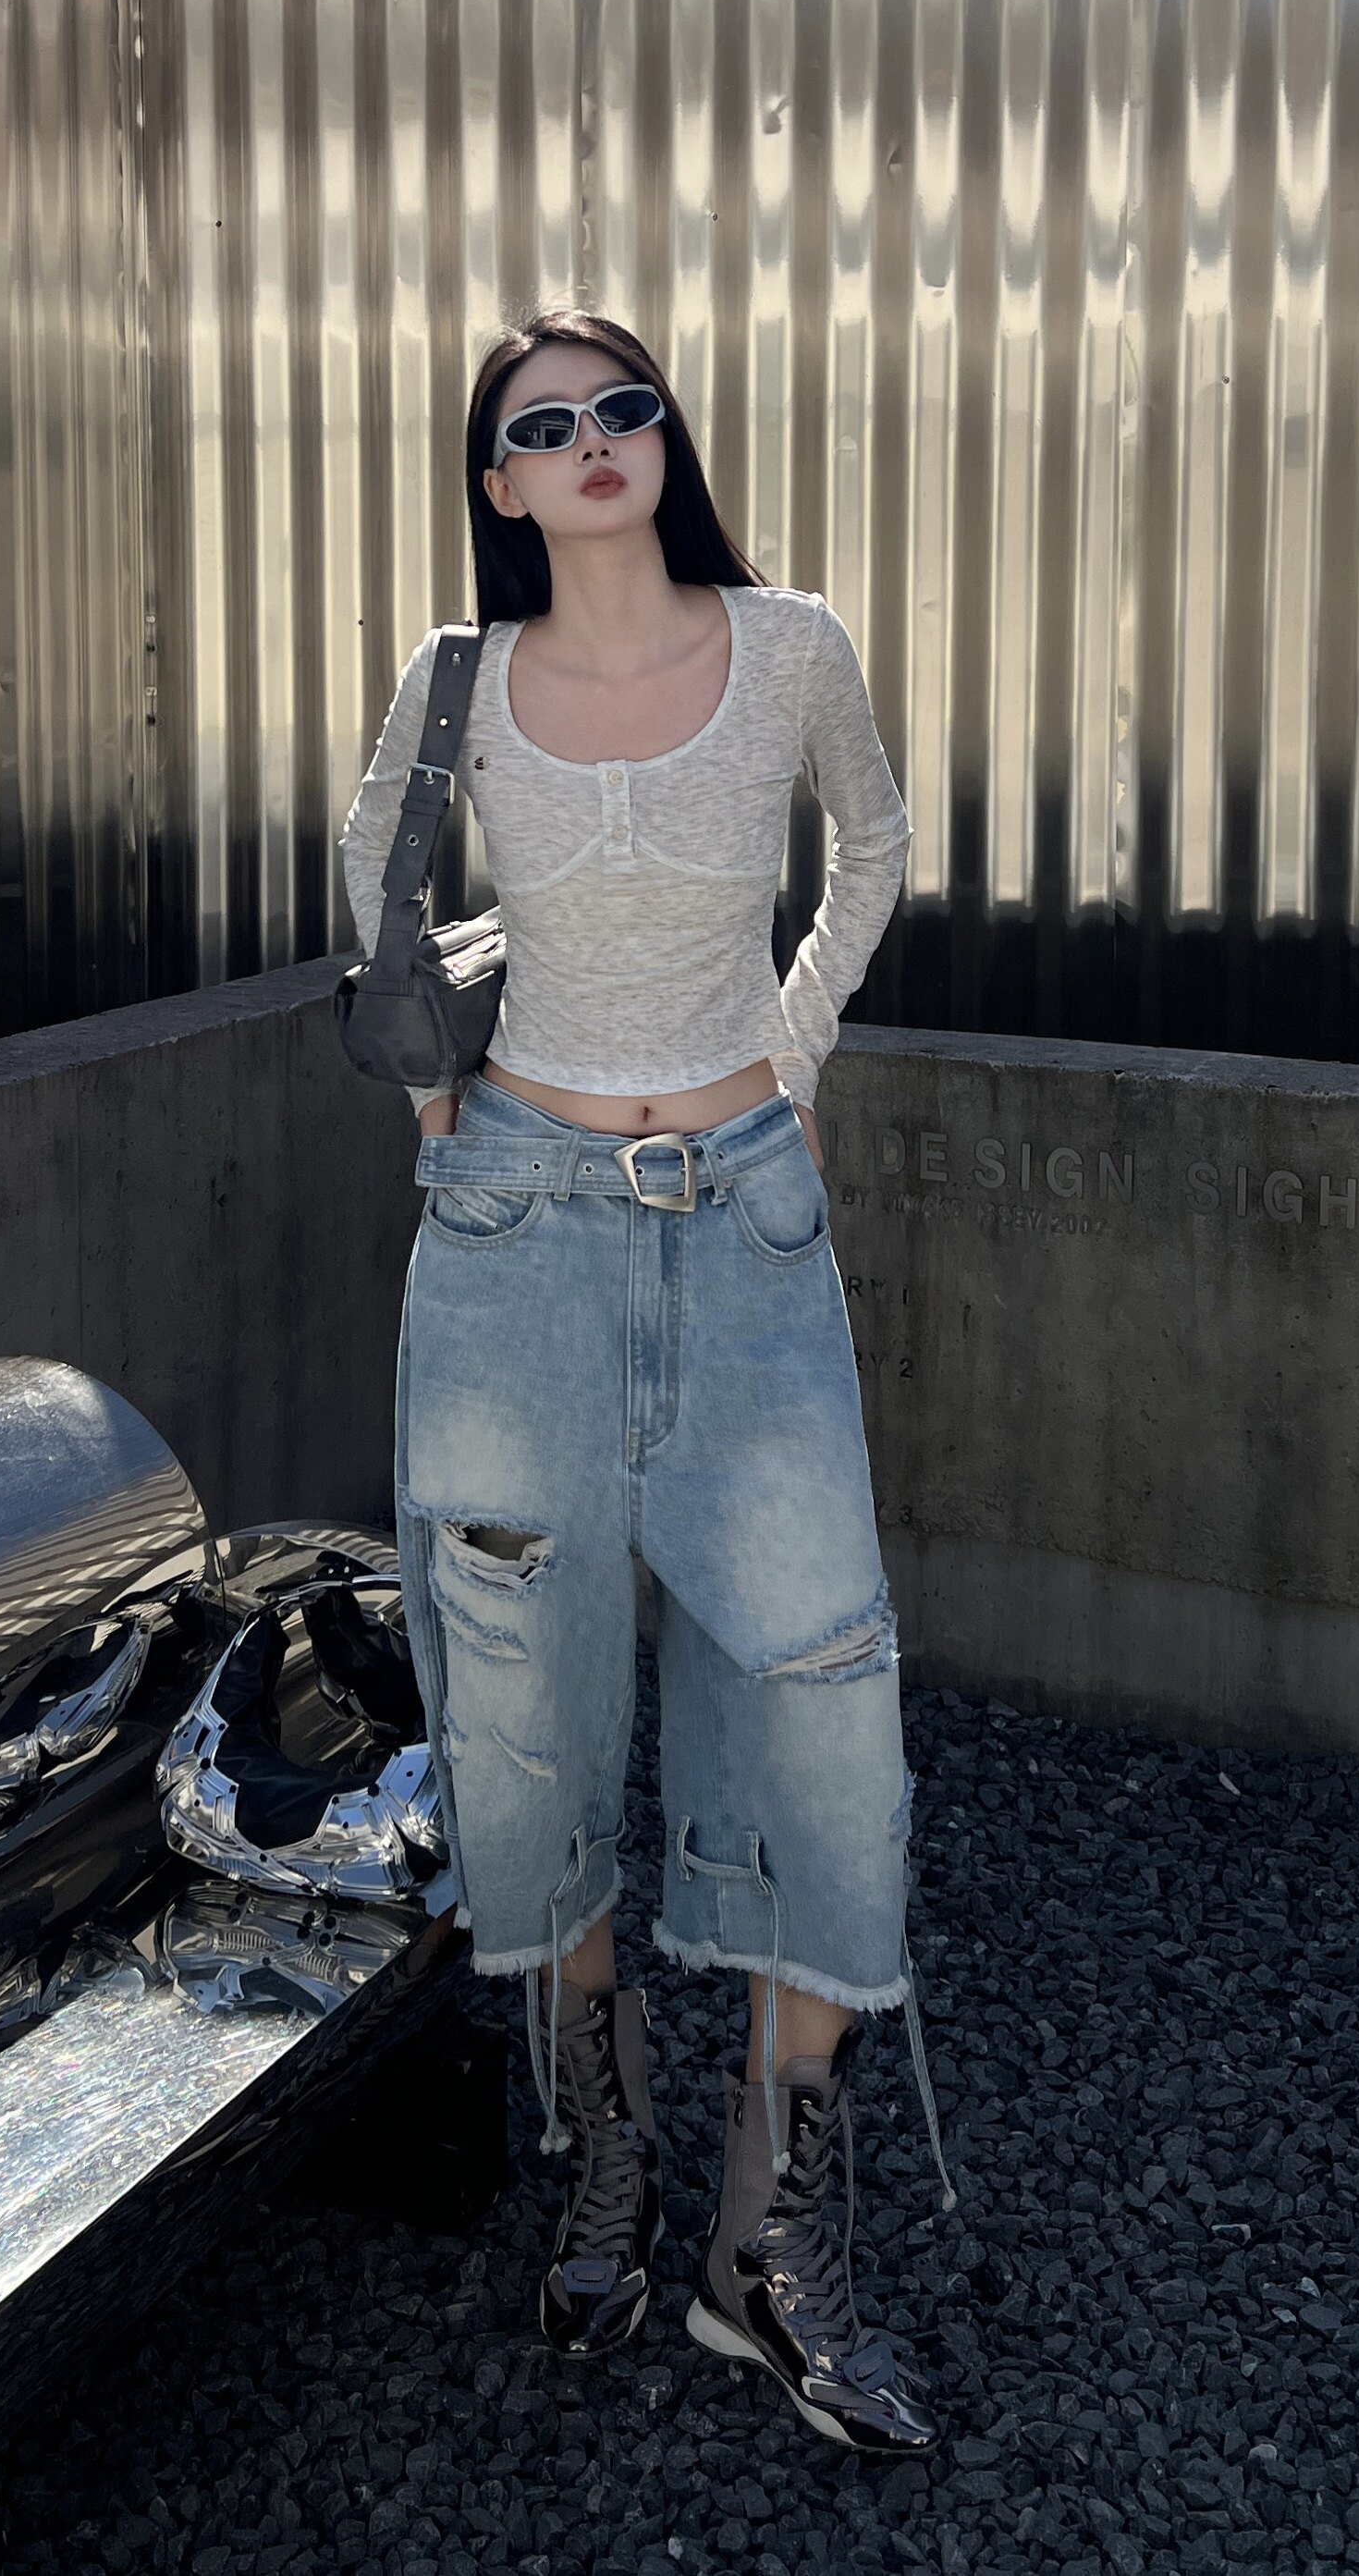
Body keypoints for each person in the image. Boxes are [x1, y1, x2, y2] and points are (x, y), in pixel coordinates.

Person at [341, 307, 950, 2458]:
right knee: (520, 1704)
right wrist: (440, 1115)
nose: (597, 438)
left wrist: (788, 1058)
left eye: (628, 406)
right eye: (549, 423)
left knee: (824, 1694)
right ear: (499, 479)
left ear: (664, 440)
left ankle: (764, 2242)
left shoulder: (787, 646)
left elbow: (873, 845)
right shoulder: (456, 679)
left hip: (747, 1228)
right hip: (512, 1240)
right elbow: (373, 872)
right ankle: (602, 2146)